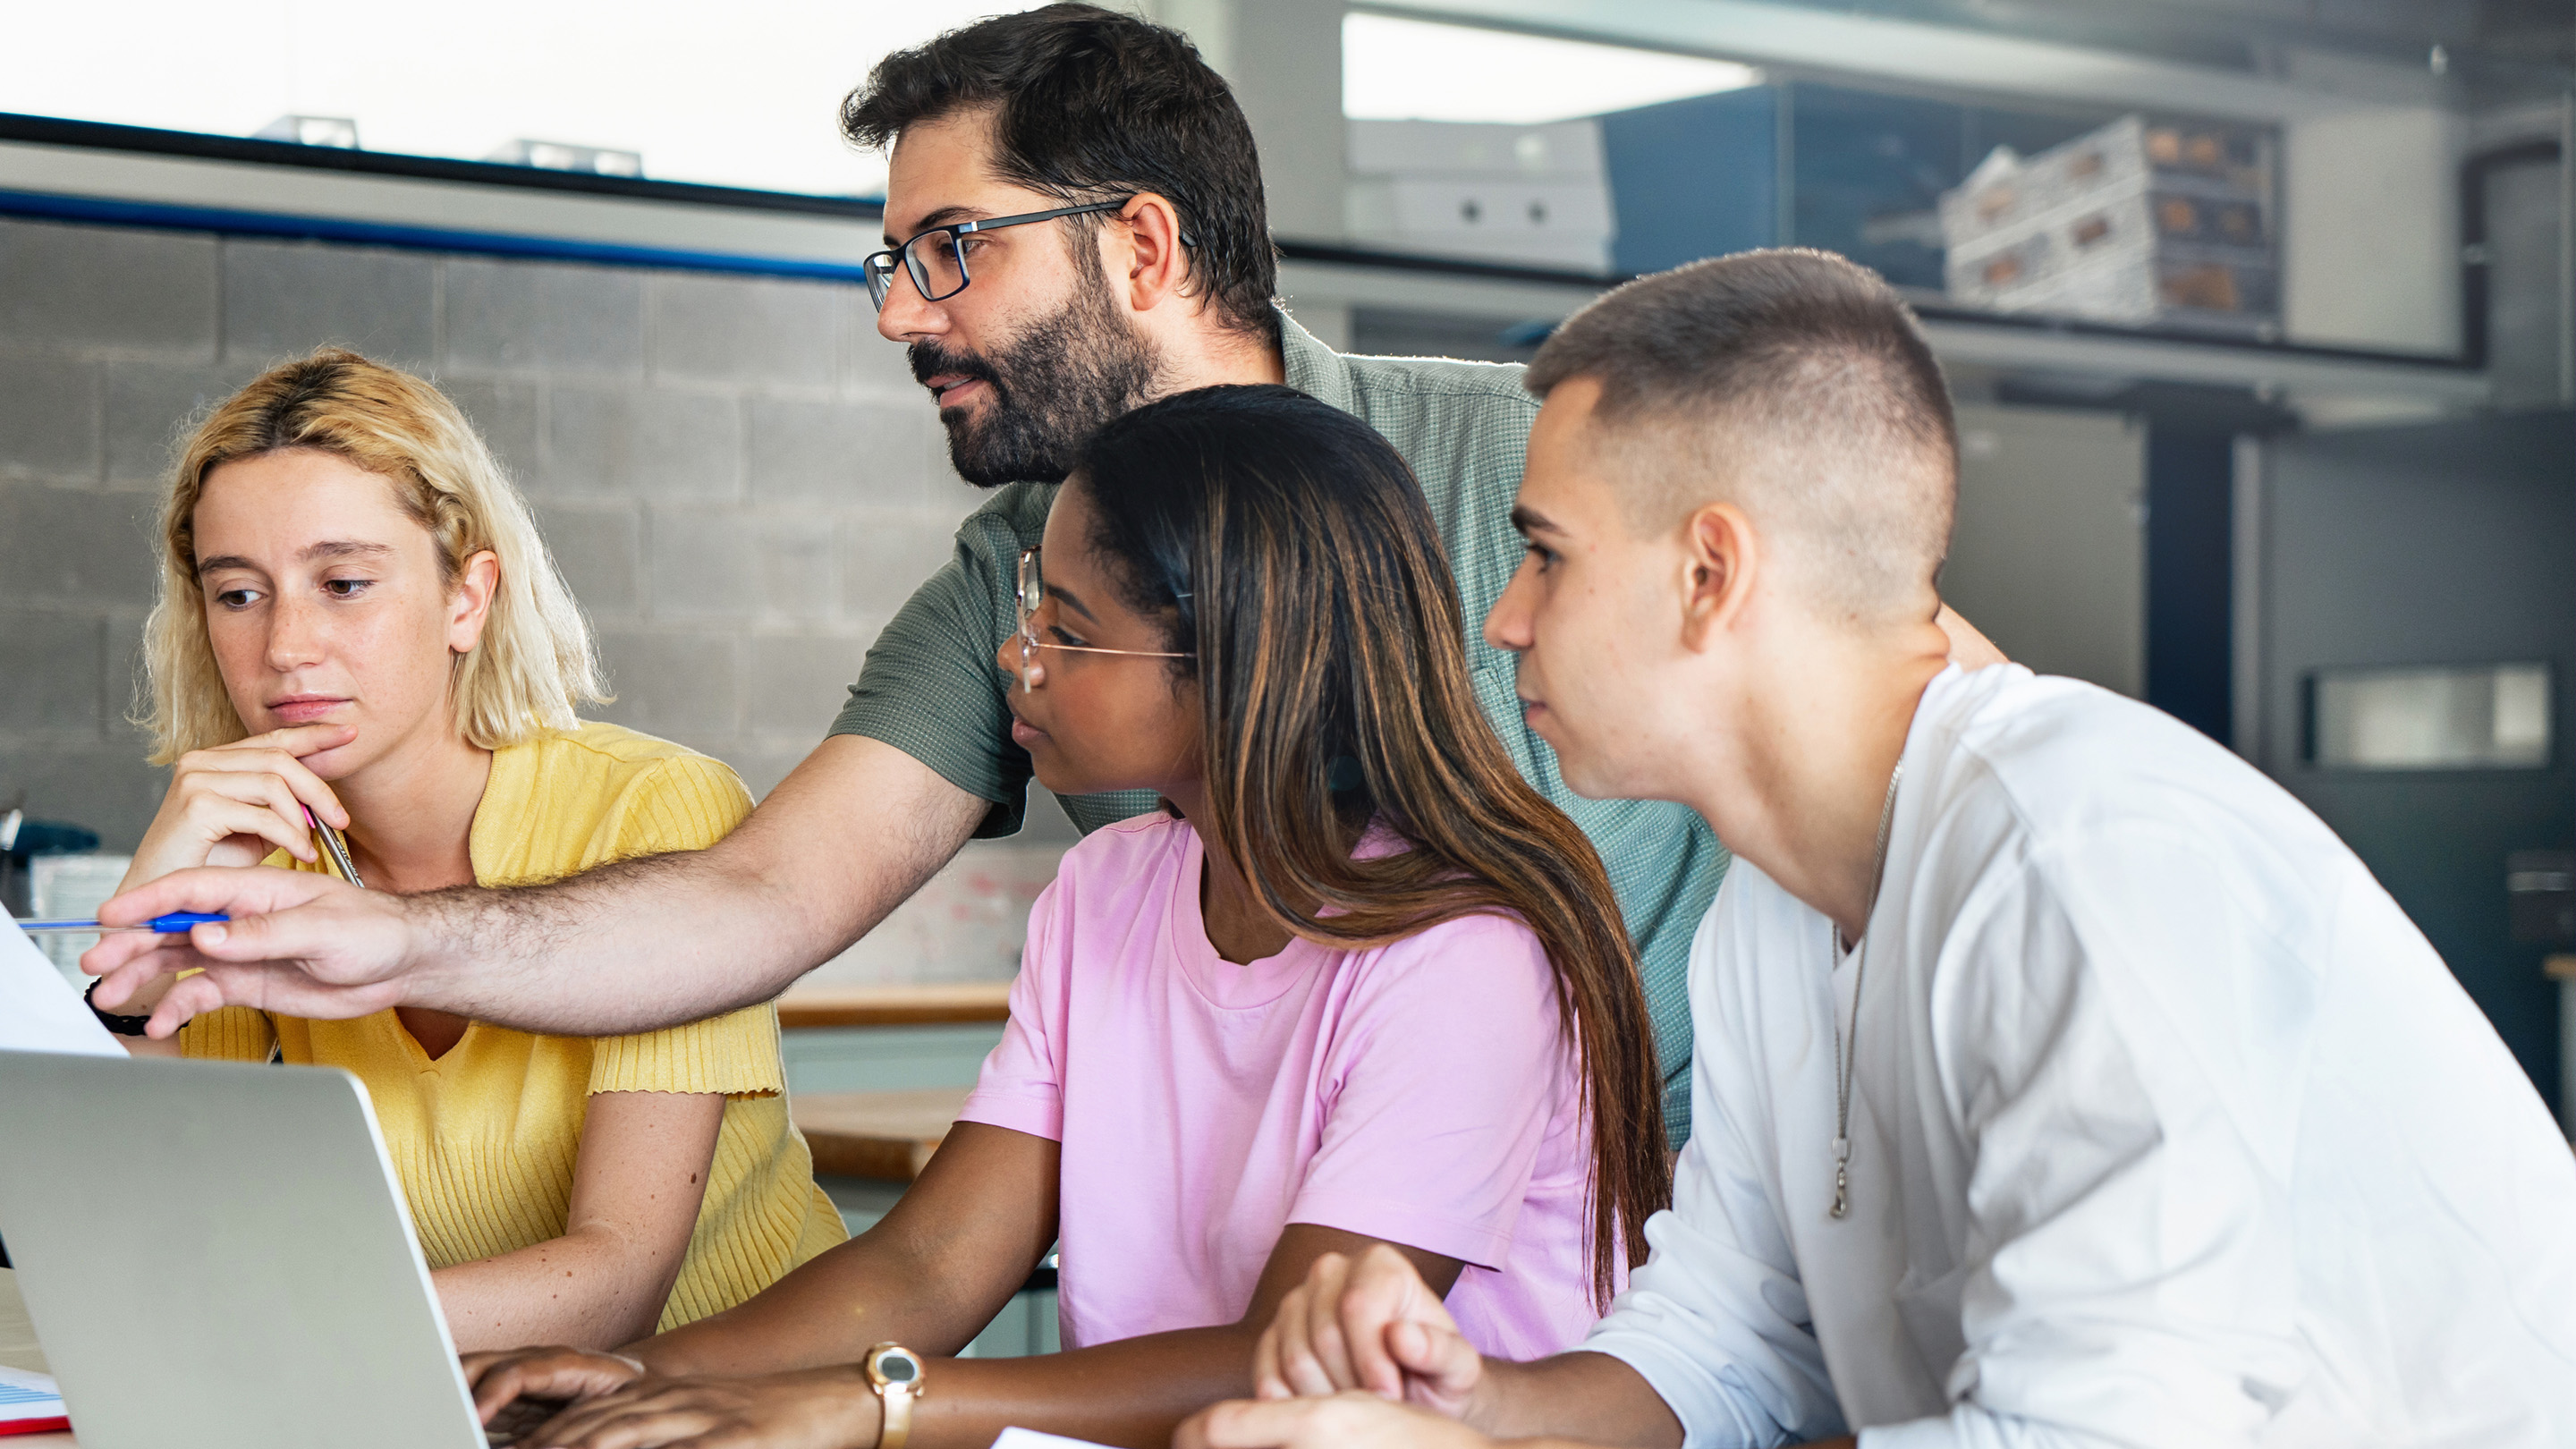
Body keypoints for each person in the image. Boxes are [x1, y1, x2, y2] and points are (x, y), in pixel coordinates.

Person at [88, 4, 2000, 1144]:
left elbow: (1941, 718)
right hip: (1315, 1280)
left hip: (1675, 1245)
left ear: (1144, 243)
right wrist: (384, 943)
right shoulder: (1008, 576)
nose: (903, 316)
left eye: (950, 252)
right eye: (890, 263)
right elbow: (763, 892)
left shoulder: (1524, 456)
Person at [1180, 251, 2576, 1449]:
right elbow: (1731, 1336)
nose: (1507, 621)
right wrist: (1470, 1405)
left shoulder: (2080, 861)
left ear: (1708, 575)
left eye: (1544, 554)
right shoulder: (1774, 910)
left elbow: (2091, 1434)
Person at [456, 386, 1671, 1449]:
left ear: (1243, 662)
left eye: (1070, 630)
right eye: (1035, 605)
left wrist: (871, 1407)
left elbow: (1292, 1361)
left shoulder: (1465, 955)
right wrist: (633, 1378)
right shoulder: (1108, 891)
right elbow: (927, 1268)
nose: (1015, 656)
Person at [104, 348, 847, 1352]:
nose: (286, 647)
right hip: (456, 1404)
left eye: (345, 583)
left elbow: (613, 1287)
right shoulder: (258, 865)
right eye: (239, 594)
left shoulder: (654, 811)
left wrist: (288, 1320)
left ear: (467, 598)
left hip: (738, 1408)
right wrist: (139, 953)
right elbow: (156, 1234)